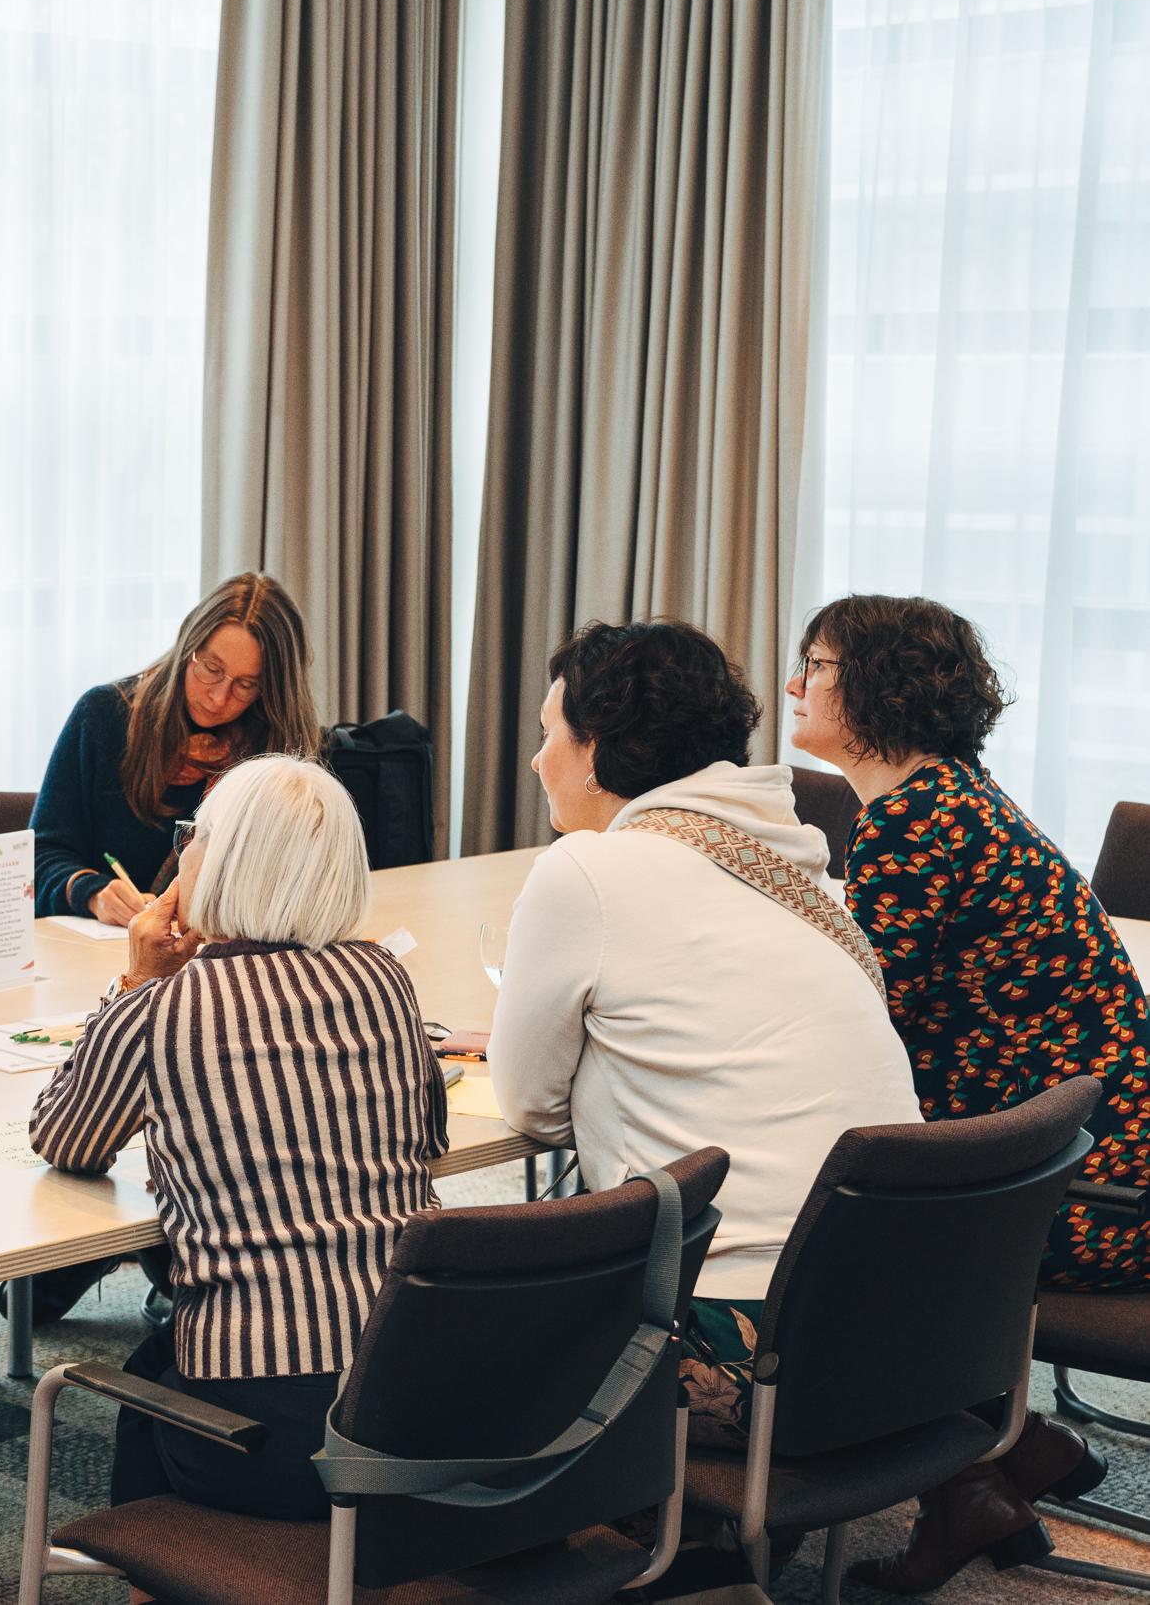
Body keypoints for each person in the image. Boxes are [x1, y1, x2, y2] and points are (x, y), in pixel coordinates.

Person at [487, 621, 922, 1457]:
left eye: (550, 736)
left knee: (436, 1336)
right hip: (904, 1338)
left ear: (598, 749)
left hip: (744, 1347)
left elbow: (532, 1111)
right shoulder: (798, 861)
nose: (539, 760)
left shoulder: (590, 870)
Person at [787, 593, 1150, 1593]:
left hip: (1088, 1200)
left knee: (830, 1239)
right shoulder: (951, 795)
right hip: (1087, 1160)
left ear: (872, 692)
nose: (793, 687)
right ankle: (999, 1460)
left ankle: (965, 1477)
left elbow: (869, 1030)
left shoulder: (909, 828)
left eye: (811, 666)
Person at [29, 755, 447, 1519]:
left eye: (195, 835)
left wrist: (134, 983)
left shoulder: (165, 1005)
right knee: (159, 1365)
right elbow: (427, 1133)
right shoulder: (386, 977)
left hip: (272, 1427)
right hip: (420, 1400)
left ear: (219, 860)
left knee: (146, 1388)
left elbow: (65, 1137)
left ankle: (173, 1567)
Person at [33, 572, 323, 930]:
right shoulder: (104, 716)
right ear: (188, 648)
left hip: (228, 956)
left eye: (246, 685)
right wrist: (92, 893)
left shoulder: (274, 751)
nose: (219, 697)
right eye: (212, 669)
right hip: (104, 954)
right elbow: (39, 857)